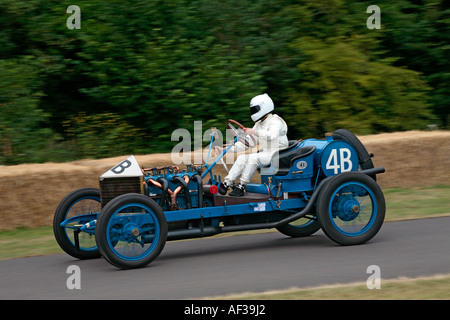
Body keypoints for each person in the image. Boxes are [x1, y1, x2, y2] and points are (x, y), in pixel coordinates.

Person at [218, 93, 288, 196]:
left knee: (253, 158)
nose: (253, 112)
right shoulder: (258, 124)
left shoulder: (276, 121)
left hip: (279, 153)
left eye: (255, 109)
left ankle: (242, 186)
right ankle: (226, 183)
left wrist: (254, 132)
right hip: (266, 153)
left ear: (264, 107)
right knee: (242, 158)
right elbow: (248, 143)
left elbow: (271, 135)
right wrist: (227, 150)